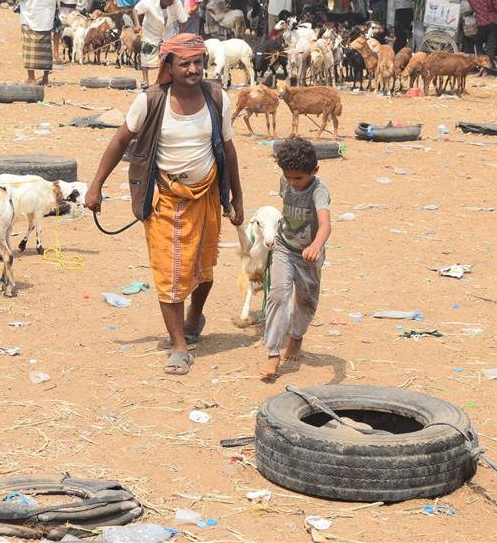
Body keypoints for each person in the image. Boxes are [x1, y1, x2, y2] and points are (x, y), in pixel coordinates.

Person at [84, 34, 244, 376]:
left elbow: (228, 150)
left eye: (198, 62)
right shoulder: (151, 101)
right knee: (169, 272)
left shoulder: (217, 98)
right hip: (164, 197)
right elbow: (119, 141)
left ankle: (192, 320)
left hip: (207, 196)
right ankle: (179, 346)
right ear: (168, 66)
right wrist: (96, 186)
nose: (193, 69)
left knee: (203, 268)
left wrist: (237, 198)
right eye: (185, 63)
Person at [259, 137, 331, 379]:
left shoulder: (319, 191)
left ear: (315, 171)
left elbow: (325, 224)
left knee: (306, 301)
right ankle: (272, 352)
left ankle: (296, 336)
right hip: (284, 248)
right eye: (288, 177)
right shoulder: (286, 182)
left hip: (309, 256)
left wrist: (317, 246)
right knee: (278, 295)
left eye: (299, 178)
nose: (293, 183)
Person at [13, 0, 62, 85]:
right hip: (47, 15)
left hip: (30, 14)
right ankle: (45, 78)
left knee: (30, 48)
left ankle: (32, 78)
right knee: (45, 47)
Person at [133, 0, 188, 89]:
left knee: (169, 57)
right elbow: (135, 10)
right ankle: (145, 80)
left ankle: (164, 80)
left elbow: (183, 21)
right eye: (170, 1)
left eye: (173, 0)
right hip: (150, 31)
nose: (172, 2)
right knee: (146, 54)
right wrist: (137, 25)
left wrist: (180, 37)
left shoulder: (176, 3)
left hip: (167, 32)